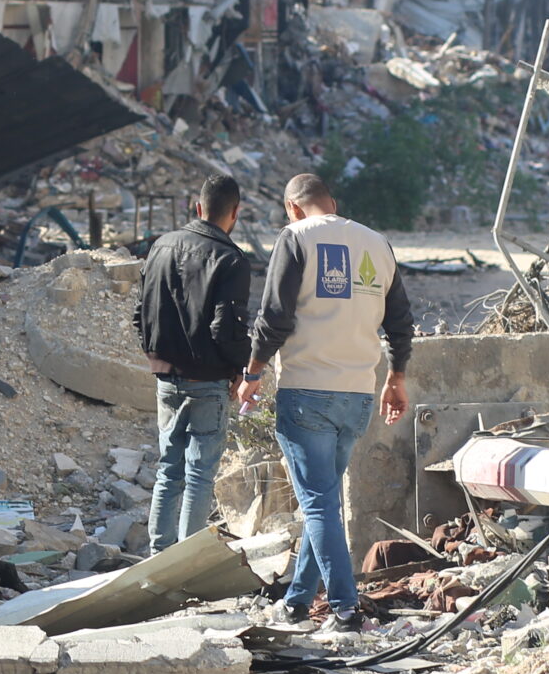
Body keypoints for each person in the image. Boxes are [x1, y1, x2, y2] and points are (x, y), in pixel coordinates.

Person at [236, 173, 414, 633]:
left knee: (317, 505)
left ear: (292, 208)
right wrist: (395, 378)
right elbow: (399, 322)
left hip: (308, 391)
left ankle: (345, 610)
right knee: (324, 503)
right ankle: (297, 602)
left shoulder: (295, 237)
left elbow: (274, 316)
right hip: (357, 394)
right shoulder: (377, 243)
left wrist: (253, 372)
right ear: (332, 203)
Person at [134, 174, 253, 551]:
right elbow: (226, 328)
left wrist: (155, 355)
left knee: (169, 471)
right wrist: (243, 369)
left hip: (165, 377)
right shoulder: (231, 259)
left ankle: (158, 556)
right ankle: (186, 561)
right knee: (199, 476)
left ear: (198, 207)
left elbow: (140, 313)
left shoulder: (160, 246)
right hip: (208, 381)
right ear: (235, 212)